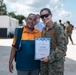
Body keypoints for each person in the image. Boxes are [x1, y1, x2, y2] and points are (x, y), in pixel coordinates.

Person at [40, 8, 67, 75]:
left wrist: (49, 58)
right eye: (42, 16)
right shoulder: (44, 29)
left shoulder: (58, 28)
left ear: (51, 15)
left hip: (55, 65)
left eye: (46, 15)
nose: (44, 18)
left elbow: (62, 48)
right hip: (44, 64)